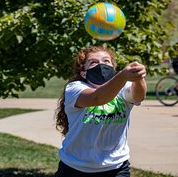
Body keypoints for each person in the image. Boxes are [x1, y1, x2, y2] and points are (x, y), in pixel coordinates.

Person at [54, 45, 147, 177]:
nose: (101, 65)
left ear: (113, 68)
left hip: (116, 167)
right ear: (84, 72)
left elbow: (138, 96)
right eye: (93, 62)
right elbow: (98, 97)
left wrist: (138, 77)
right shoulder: (74, 88)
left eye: (106, 61)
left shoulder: (123, 87)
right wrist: (122, 76)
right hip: (75, 168)